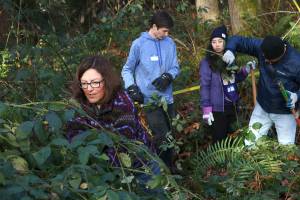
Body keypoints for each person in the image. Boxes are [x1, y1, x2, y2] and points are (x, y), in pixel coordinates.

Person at [67, 55, 153, 164]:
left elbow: (121, 149)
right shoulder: (78, 103)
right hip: (96, 163)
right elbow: (73, 136)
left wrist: (94, 167)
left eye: (95, 82)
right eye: (84, 83)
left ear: (107, 81)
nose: (89, 89)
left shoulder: (123, 104)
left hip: (141, 166)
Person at [121, 11, 180, 170]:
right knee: (161, 137)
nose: (167, 34)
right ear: (154, 27)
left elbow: (175, 67)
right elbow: (127, 69)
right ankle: (166, 172)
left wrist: (169, 76)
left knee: (171, 135)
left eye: (168, 31)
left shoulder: (170, 43)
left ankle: (171, 167)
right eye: (164, 31)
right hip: (149, 100)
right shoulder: (139, 44)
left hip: (168, 99)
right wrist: (131, 87)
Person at [222, 35, 300, 145]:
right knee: (250, 143)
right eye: (264, 57)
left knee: (286, 149)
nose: (266, 60)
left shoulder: (296, 62)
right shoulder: (263, 47)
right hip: (262, 106)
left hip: (285, 113)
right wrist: (229, 50)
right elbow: (237, 40)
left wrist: (296, 96)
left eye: (269, 60)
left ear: (280, 56)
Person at [200, 25, 255, 143]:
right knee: (219, 141)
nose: (217, 44)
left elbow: (234, 78)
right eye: (214, 42)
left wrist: (246, 70)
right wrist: (206, 107)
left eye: (220, 41)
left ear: (225, 42)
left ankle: (232, 161)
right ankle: (219, 162)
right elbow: (205, 86)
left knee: (233, 138)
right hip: (218, 108)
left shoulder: (229, 58)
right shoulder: (207, 62)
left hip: (233, 105)